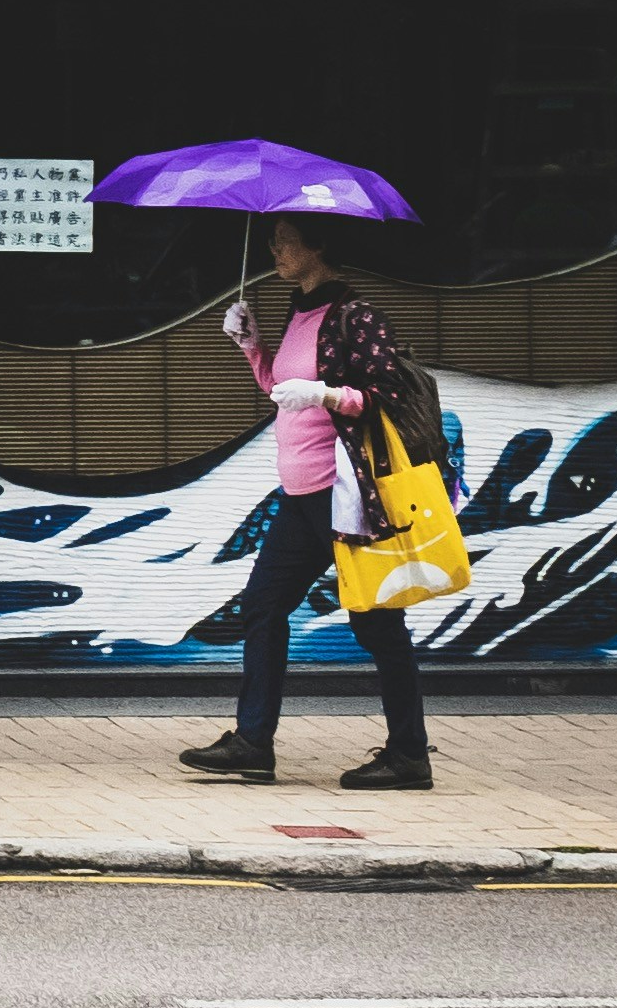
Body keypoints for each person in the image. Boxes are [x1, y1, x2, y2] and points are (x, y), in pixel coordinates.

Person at [177, 220, 436, 792]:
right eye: (270, 242)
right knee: (263, 607)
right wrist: (252, 347)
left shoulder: (356, 316)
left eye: (285, 241)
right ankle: (252, 745)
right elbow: (280, 388)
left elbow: (387, 393)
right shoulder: (299, 312)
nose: (274, 251)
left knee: (378, 624)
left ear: (319, 247)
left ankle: (409, 756)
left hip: (344, 499)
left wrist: (326, 394)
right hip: (300, 500)